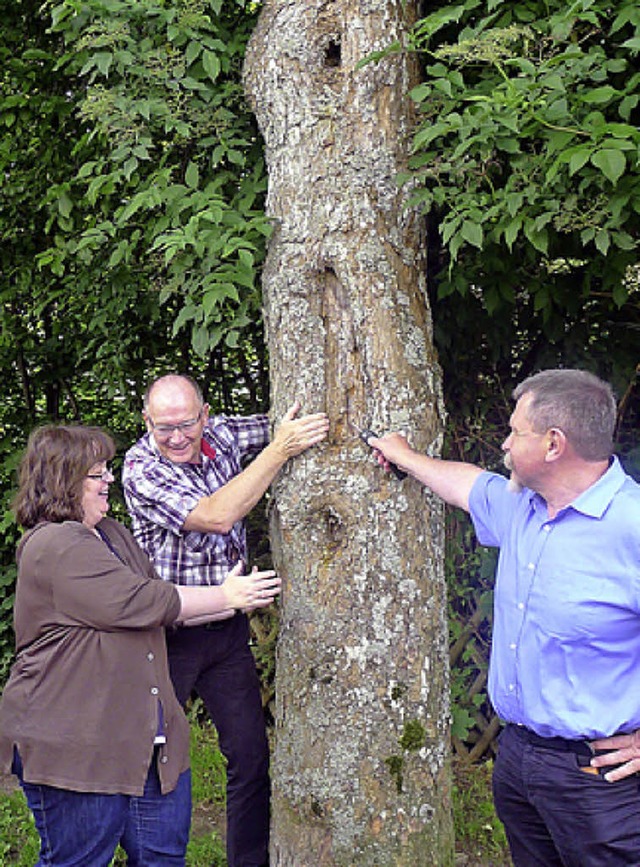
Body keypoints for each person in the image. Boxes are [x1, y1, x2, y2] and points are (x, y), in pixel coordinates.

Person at [369, 368, 640, 867]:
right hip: (517, 762)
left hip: (600, 781)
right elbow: (467, 484)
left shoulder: (632, 526)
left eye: (516, 432)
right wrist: (403, 455)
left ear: (554, 444)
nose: (506, 443)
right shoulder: (523, 506)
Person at [0, 424, 281, 866]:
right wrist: (226, 596)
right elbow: (140, 600)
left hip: (149, 743)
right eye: (97, 473)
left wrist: (232, 601)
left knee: (161, 858)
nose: (109, 480)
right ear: (64, 479)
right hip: (78, 748)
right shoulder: (54, 545)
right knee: (78, 859)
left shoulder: (110, 532)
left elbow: (157, 604)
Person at [122, 373, 329, 867]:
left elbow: (285, 423)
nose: (175, 437)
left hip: (227, 632)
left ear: (205, 414)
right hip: (166, 638)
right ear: (146, 422)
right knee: (149, 760)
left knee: (250, 758)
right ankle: (140, 857)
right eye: (162, 426)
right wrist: (278, 451)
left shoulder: (223, 436)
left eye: (186, 424)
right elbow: (216, 515)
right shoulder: (140, 467)